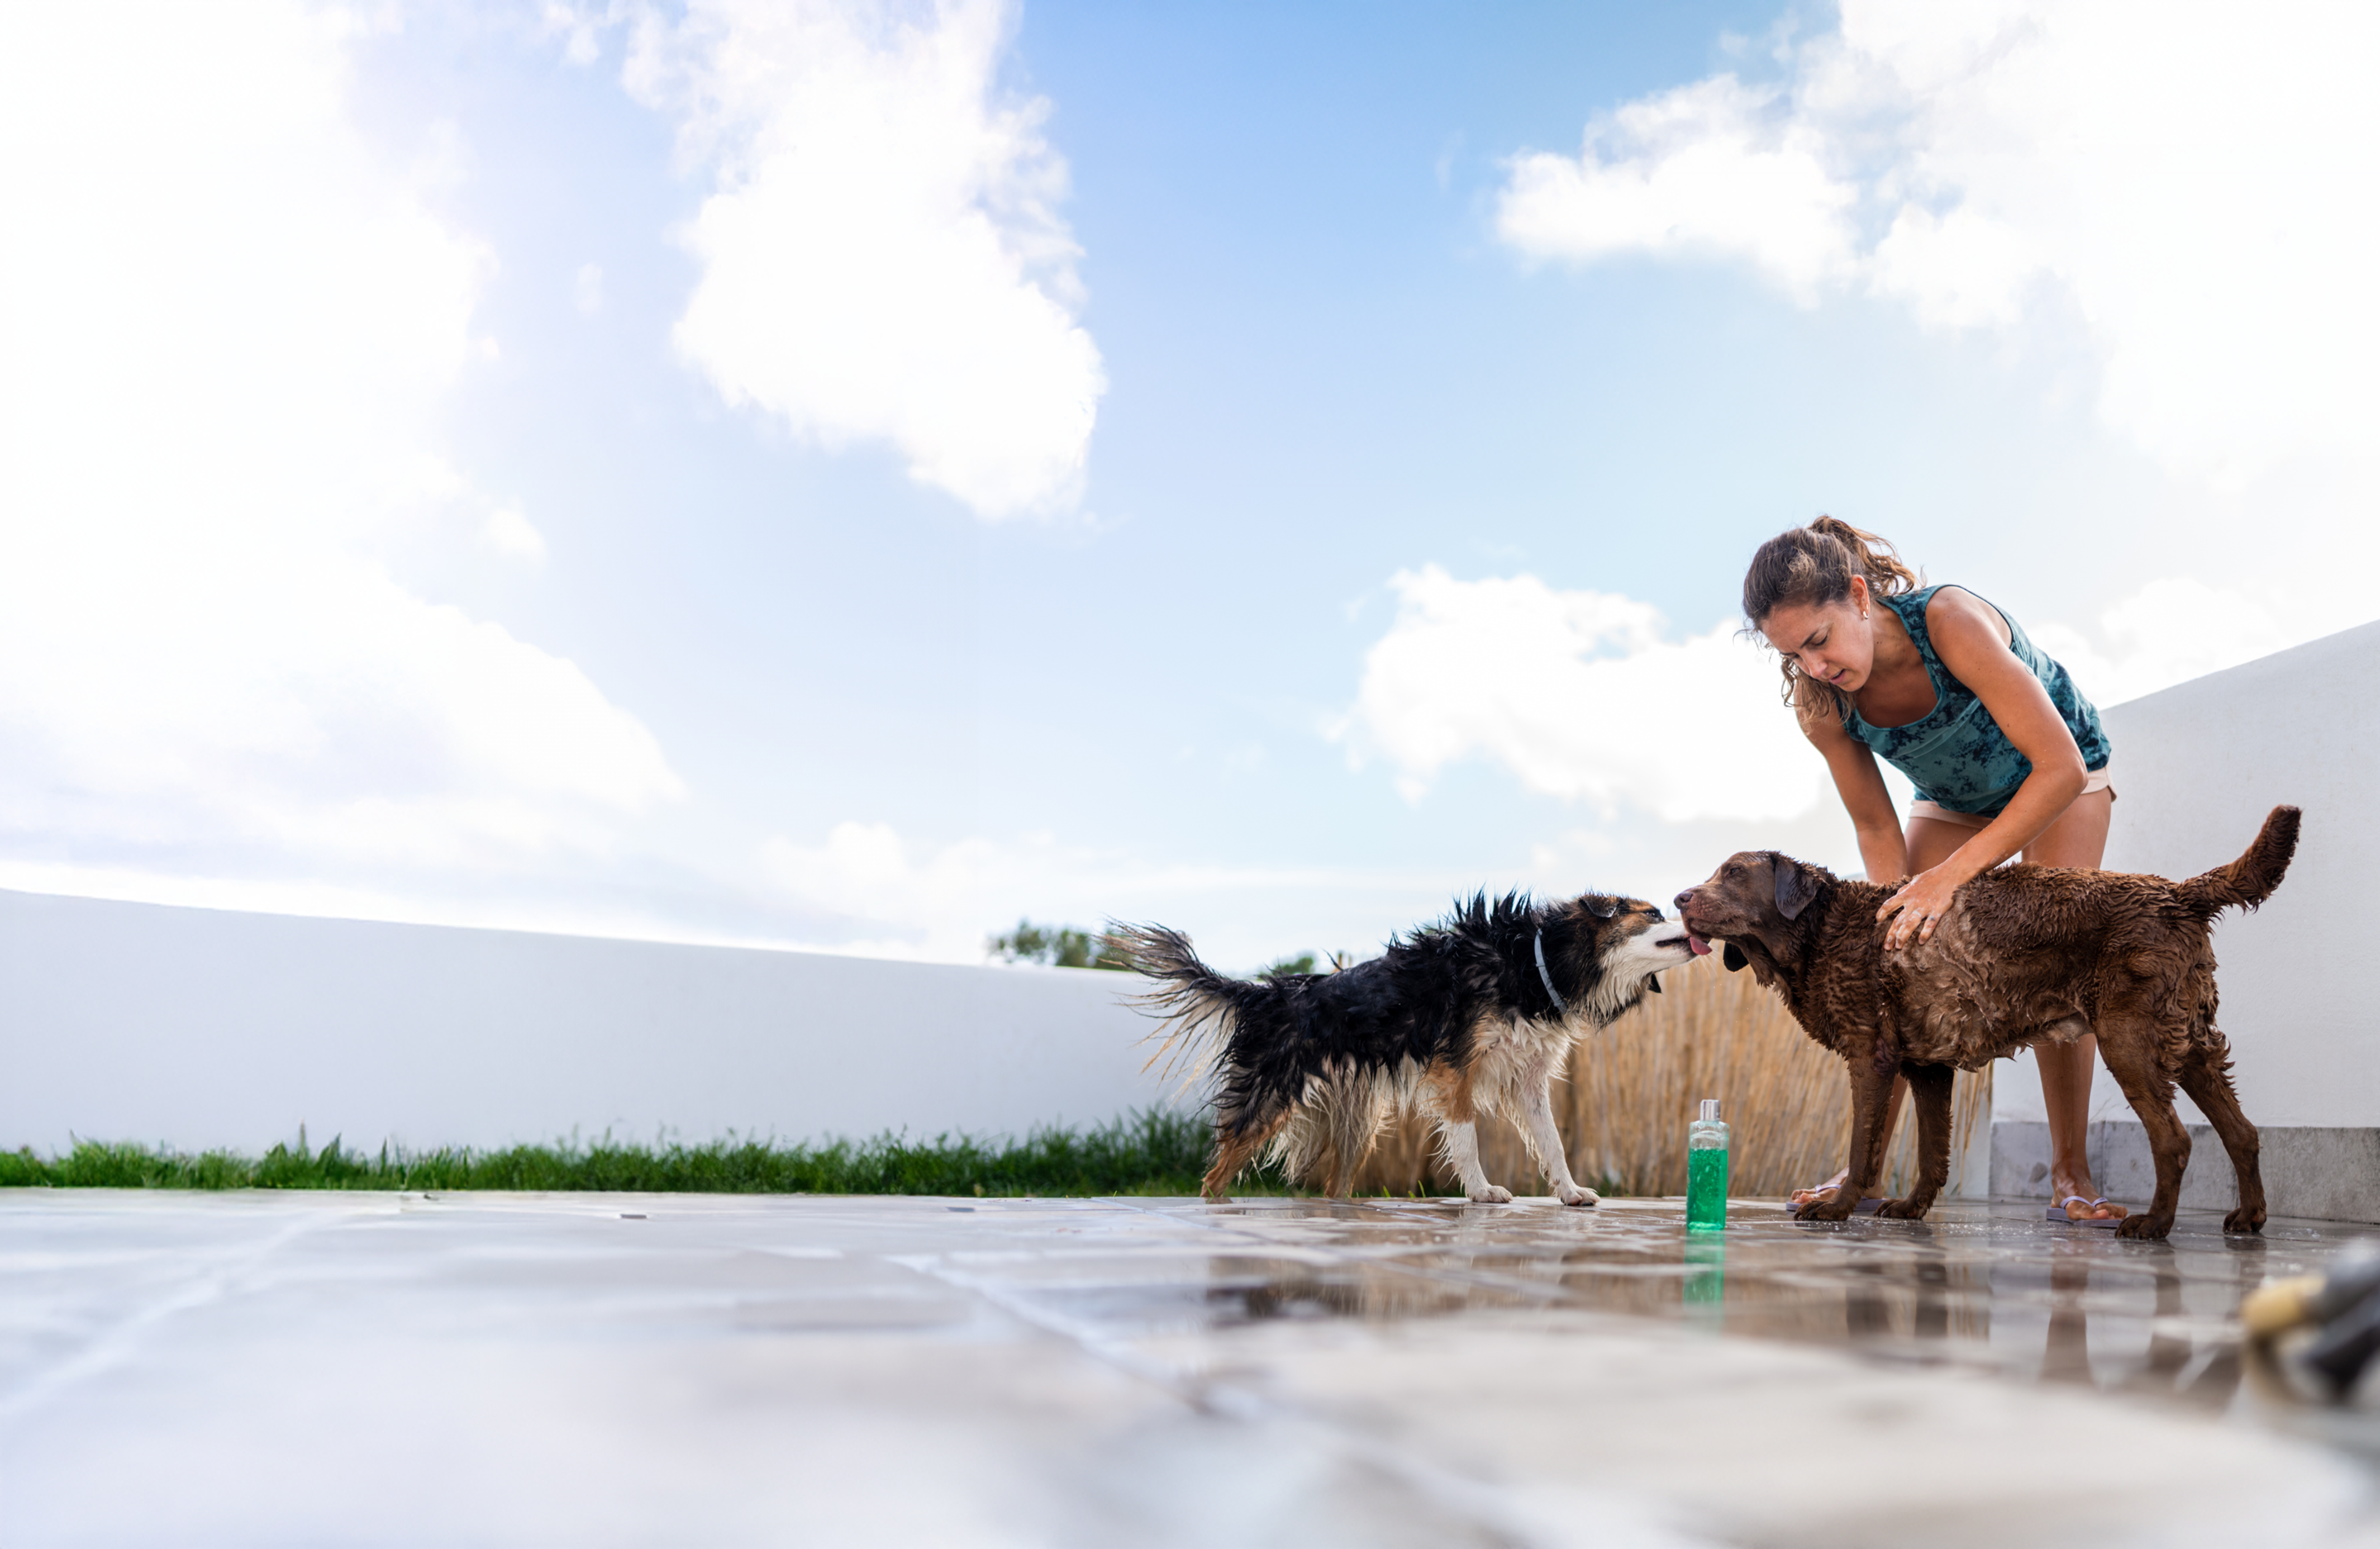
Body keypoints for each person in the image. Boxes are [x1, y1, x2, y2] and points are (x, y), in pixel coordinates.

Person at [1742, 517, 2125, 1224]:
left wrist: (1949, 878)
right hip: (1954, 800)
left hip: (2062, 773)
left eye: (1820, 640)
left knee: (2058, 962)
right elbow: (1873, 823)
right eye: (1794, 655)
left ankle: (2071, 1173)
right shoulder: (1821, 702)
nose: (1815, 667)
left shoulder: (1947, 621)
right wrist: (1897, 916)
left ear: (1858, 595)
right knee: (1889, 959)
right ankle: (1860, 1171)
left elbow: (2060, 767)